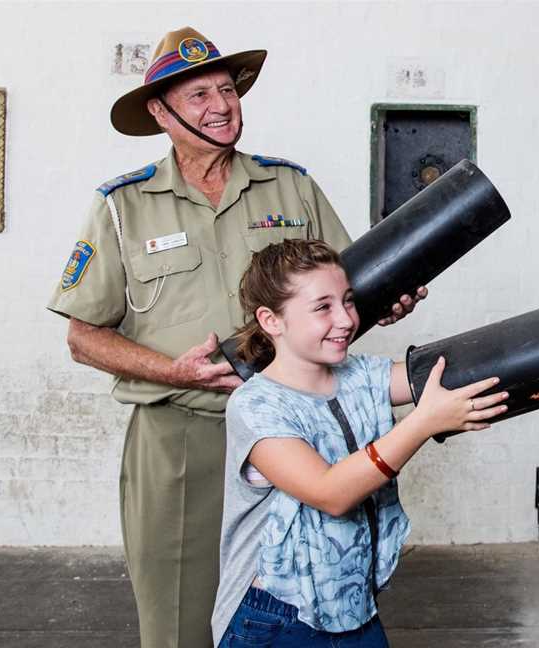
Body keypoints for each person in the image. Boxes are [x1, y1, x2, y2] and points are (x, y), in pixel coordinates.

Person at [46, 27, 425, 648]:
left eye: (228, 89)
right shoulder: (123, 205)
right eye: (198, 96)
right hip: (182, 439)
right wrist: (175, 372)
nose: (221, 106)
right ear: (160, 113)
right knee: (178, 616)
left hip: (297, 427)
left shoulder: (290, 187)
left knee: (316, 599)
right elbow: (83, 338)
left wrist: (385, 299)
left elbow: (342, 290)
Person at [213, 239, 509, 647]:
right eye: (323, 307)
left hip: (350, 602)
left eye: (348, 301)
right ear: (271, 320)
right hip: (276, 614)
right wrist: (422, 423)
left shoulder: (360, 374)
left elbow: (439, 376)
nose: (346, 319)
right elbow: (330, 492)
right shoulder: (256, 406)